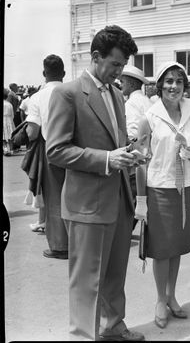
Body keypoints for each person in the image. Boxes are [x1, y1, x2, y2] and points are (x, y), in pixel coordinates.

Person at [45, 25, 144, 341]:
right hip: (87, 204)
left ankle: (112, 325)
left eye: (122, 66)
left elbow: (114, 143)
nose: (119, 72)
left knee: (115, 274)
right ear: (96, 56)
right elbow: (56, 150)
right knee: (86, 280)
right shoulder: (68, 93)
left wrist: (129, 154)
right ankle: (83, 335)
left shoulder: (116, 93)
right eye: (115, 64)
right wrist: (106, 160)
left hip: (118, 198)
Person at [135, 61, 190, 329]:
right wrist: (141, 201)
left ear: (185, 86)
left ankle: (172, 295)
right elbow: (140, 161)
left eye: (179, 81)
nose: (173, 86)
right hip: (159, 187)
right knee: (162, 250)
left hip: (184, 186)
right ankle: (160, 299)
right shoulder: (149, 117)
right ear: (160, 84)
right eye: (169, 81)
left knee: (177, 248)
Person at [26, 54, 69, 260]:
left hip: (51, 150)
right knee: (74, 195)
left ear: (44, 74)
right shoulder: (72, 91)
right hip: (74, 148)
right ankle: (78, 241)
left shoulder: (37, 97)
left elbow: (32, 133)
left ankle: (60, 246)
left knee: (54, 199)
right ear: (64, 73)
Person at [120, 64, 153, 230]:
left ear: (132, 84)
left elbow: (133, 132)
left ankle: (127, 228)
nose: (121, 85)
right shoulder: (146, 100)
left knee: (132, 194)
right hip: (150, 153)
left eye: (123, 82)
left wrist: (130, 149)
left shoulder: (132, 103)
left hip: (137, 154)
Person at [3, 88, 15, 156]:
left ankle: (5, 150)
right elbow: (12, 114)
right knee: (10, 136)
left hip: (4, 119)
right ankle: (11, 150)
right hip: (9, 120)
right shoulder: (9, 104)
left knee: (3, 137)